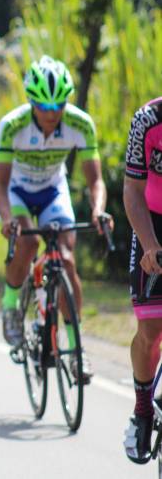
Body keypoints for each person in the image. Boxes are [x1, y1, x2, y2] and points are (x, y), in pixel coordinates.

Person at [0, 55, 110, 384]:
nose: (51, 112)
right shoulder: (12, 125)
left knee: (67, 259)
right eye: (44, 106)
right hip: (16, 190)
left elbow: (95, 181)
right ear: (31, 102)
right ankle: (11, 304)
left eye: (58, 104)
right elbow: (0, 185)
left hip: (52, 190)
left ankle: (76, 349)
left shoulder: (81, 124)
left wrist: (98, 210)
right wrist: (7, 218)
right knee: (28, 242)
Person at [123, 97, 162, 464]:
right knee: (152, 329)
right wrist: (150, 245)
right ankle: (143, 411)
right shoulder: (147, 120)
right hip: (154, 223)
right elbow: (133, 191)